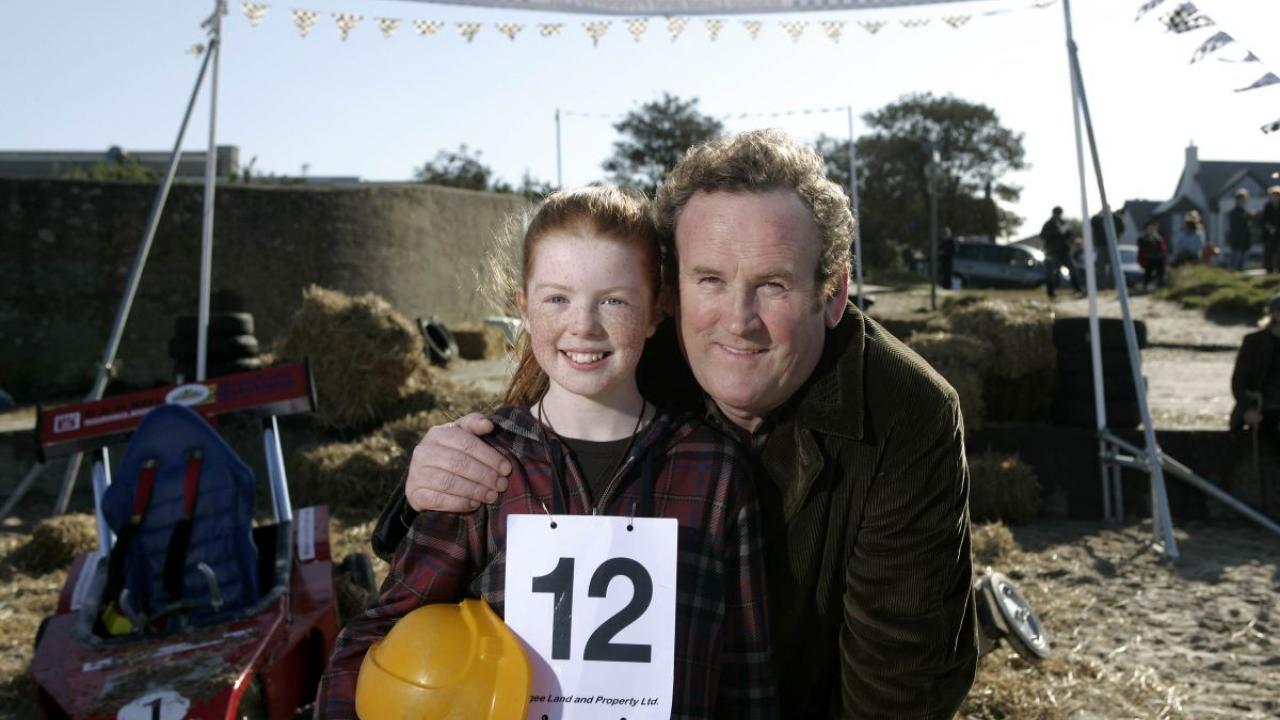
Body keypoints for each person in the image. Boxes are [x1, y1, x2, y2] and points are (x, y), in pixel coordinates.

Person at [377, 130, 977, 718]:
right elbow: (508, 464)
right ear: (669, 292)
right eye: (710, 280)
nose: (738, 321)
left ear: (834, 292)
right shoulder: (623, 352)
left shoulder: (907, 413)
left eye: (772, 285)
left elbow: (900, 683)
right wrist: (425, 485)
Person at [319, 187, 777, 718]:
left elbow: (748, 676)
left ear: (657, 310)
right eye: (557, 298)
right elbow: (374, 642)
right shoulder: (486, 463)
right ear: (524, 308)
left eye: (615, 300)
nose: (584, 325)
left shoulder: (715, 472)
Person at [1231, 294, 1280, 432]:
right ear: (1275, 315)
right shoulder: (1254, 342)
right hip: (1261, 407)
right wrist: (1248, 409)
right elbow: (1239, 382)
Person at [1041, 206, 1078, 298]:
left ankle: (1077, 288)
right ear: (1054, 213)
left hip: (1064, 250)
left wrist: (1069, 232)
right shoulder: (1048, 224)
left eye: (1060, 214)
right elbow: (1043, 235)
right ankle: (1051, 293)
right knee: (1051, 272)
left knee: (1073, 269)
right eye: (1057, 213)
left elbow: (1069, 235)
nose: (1059, 215)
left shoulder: (1063, 223)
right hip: (1053, 251)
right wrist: (1057, 232)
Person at [1136, 218, 1168, 291]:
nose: (1152, 230)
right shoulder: (1142, 239)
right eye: (1150, 228)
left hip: (1158, 259)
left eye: (1153, 228)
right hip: (1147, 259)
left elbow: (1163, 250)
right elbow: (1142, 251)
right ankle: (1146, 284)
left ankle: (1160, 283)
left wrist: (1157, 238)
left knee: (1160, 264)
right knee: (1149, 268)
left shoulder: (1159, 239)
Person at [1227, 189, 1254, 272]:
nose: (1242, 202)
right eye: (1241, 200)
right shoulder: (1233, 213)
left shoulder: (1246, 213)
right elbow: (1236, 224)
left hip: (1245, 243)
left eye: (1244, 200)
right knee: (1235, 265)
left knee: (1242, 266)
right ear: (1237, 200)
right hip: (1236, 243)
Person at [1262, 186, 1280, 273]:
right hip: (1269, 234)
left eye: (1277, 195)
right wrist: (1270, 228)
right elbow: (1264, 220)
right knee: (1268, 252)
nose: (1276, 197)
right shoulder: (1267, 206)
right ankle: (1269, 270)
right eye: (1274, 195)